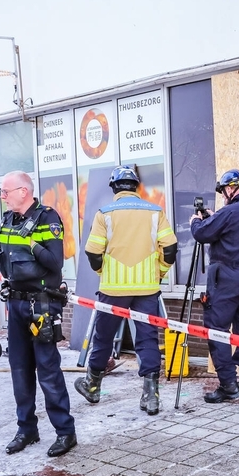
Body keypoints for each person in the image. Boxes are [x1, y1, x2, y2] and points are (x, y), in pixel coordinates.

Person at [75, 165, 177, 415]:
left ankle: (92, 385)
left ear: (114, 188)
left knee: (103, 337)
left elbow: (92, 251)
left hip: (113, 288)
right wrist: (160, 272)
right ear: (136, 187)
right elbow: (171, 249)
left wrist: (103, 272)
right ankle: (151, 396)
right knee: (148, 339)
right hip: (147, 288)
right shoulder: (155, 212)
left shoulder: (105, 213)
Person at [0, 170, 77, 457]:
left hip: (41, 304)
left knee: (48, 369)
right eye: (1, 192)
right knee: (19, 369)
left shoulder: (47, 218)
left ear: (24, 191)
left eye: (6, 191)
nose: (3, 197)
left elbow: (55, 262)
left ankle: (65, 431)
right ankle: (26, 428)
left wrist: (29, 242)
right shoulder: (8, 219)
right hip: (16, 303)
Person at [190, 169, 239, 403]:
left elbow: (202, 234)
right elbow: (235, 231)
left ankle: (228, 386)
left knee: (217, 330)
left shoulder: (230, 212)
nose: (223, 195)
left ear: (230, 188)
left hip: (229, 279)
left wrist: (196, 221)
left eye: (224, 190)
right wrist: (217, 217)